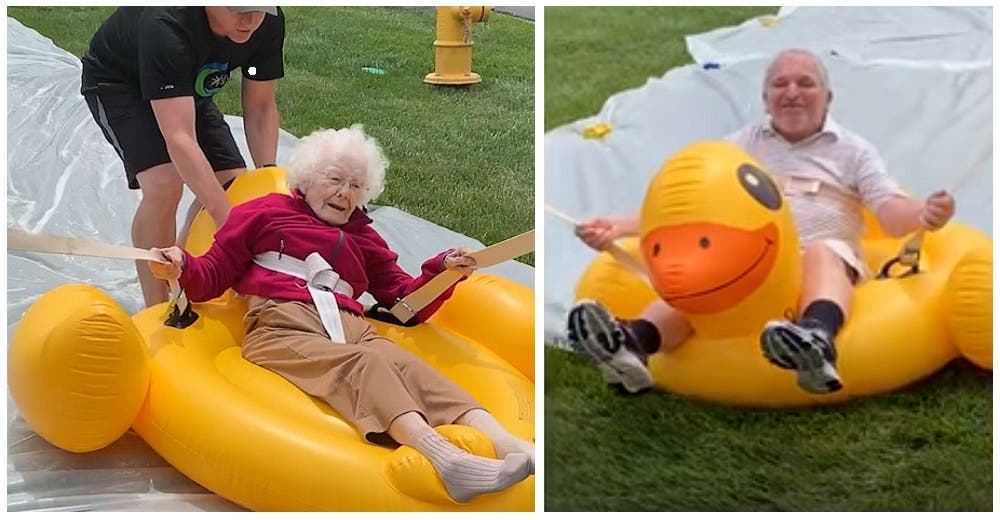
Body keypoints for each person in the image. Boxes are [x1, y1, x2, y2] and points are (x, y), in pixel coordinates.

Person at [148, 126, 534, 503]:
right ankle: (446, 459)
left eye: (356, 186)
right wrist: (180, 268)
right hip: (282, 325)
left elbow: (404, 304)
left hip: (351, 326)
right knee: (364, 363)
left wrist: (442, 272)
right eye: (334, 179)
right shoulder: (264, 214)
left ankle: (509, 445)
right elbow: (213, 275)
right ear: (306, 179)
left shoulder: (365, 238)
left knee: (411, 367)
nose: (344, 193)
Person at [568, 49, 956, 395]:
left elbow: (888, 210)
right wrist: (616, 227)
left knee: (821, 251)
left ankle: (817, 338)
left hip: (821, 262)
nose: (792, 92)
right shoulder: (742, 145)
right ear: (766, 99)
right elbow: (686, 212)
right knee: (701, 277)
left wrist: (923, 214)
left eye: (806, 83)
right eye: (779, 84)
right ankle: (632, 342)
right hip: (757, 267)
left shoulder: (852, 152)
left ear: (828, 97)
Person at [81, 6, 285, 307]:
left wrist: (268, 179)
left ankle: (184, 268)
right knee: (165, 184)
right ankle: (159, 307)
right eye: (238, 9)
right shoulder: (165, 23)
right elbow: (180, 138)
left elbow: (261, 107)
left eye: (259, 8)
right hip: (121, 83)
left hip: (182, 84)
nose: (251, 20)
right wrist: (229, 224)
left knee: (233, 183)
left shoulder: (267, 24)